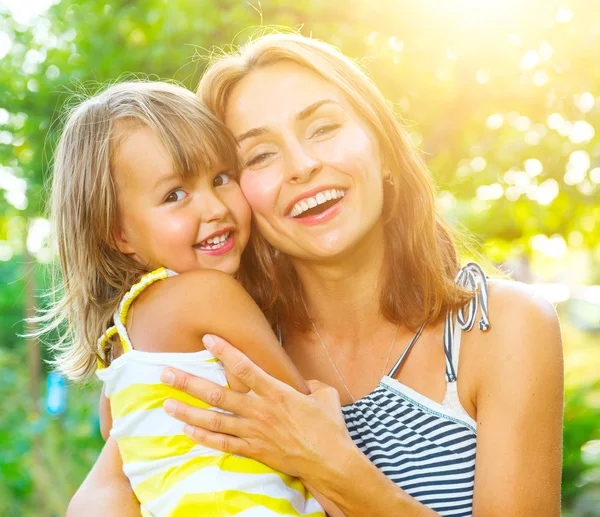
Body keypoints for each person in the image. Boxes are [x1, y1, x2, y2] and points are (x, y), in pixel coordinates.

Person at [69, 33, 564, 517]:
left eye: (323, 128)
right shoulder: (219, 351)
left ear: (384, 149)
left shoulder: (499, 327)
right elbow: (108, 488)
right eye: (259, 156)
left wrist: (336, 470)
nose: (302, 166)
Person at [45, 80, 341, 516]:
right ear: (119, 233)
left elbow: (115, 437)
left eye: (221, 178)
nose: (214, 207)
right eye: (174, 195)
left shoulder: (122, 342)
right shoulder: (208, 295)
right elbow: (309, 435)